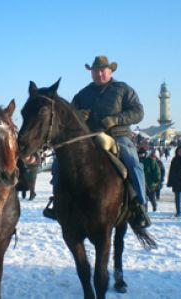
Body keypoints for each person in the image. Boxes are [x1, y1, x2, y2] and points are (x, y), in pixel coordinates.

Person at [70, 55, 150, 229]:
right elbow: (70, 115)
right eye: (95, 71)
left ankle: (141, 206)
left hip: (118, 136)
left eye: (102, 71)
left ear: (110, 71)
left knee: (132, 162)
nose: (98, 74)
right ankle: (59, 201)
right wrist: (78, 116)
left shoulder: (123, 89)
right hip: (89, 137)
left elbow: (138, 112)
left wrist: (116, 119)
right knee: (61, 162)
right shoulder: (83, 94)